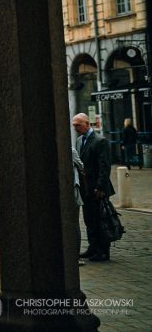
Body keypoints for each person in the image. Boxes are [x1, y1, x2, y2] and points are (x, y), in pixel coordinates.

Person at [73, 112, 115, 262]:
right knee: (89, 219)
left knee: (100, 220)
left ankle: (103, 250)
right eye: (74, 126)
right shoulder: (79, 141)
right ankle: (93, 247)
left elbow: (105, 166)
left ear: (87, 124)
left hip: (98, 189)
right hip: (86, 188)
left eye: (78, 125)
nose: (75, 128)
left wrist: (100, 187)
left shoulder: (100, 141)